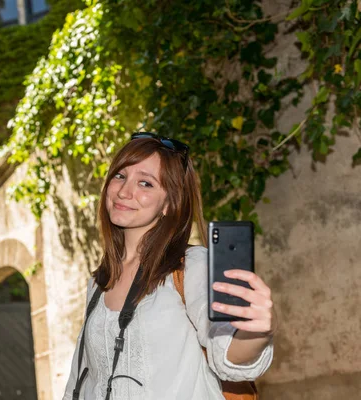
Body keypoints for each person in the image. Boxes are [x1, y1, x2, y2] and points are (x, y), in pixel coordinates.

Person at [63, 132, 276, 400]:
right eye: (120, 176)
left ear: (168, 203)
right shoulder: (97, 283)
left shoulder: (191, 267)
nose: (125, 191)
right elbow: (80, 381)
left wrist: (257, 330)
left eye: (145, 183)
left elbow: (228, 355)